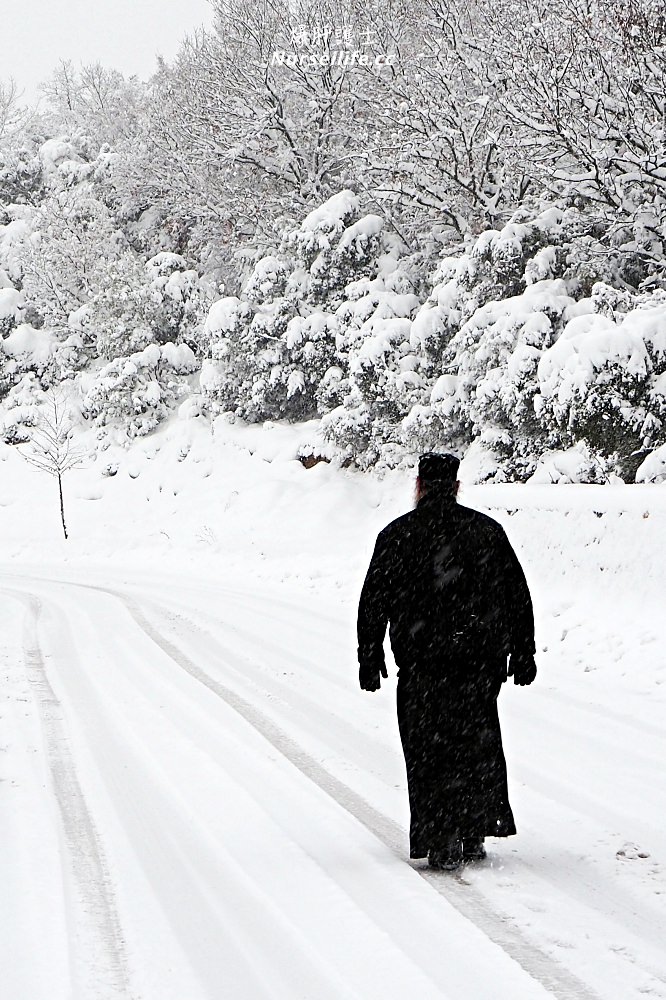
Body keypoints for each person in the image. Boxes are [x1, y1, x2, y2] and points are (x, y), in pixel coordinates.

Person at [357, 452, 536, 871]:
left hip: (423, 664)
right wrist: (523, 650)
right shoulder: (486, 532)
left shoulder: (398, 535)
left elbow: (374, 600)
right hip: (478, 662)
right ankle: (473, 829)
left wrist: (370, 653)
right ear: (455, 486)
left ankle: (441, 836)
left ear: (419, 486)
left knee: (427, 750)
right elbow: (516, 595)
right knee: (476, 742)